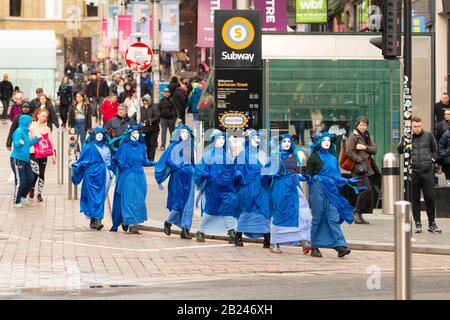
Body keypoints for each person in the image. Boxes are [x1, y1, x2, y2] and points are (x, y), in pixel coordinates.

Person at [307, 132, 361, 258]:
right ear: (319, 142)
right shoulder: (313, 157)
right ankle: (314, 247)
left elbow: (337, 177)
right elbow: (308, 176)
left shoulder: (333, 158)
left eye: (328, 140)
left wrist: (347, 181)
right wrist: (311, 178)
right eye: (324, 139)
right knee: (318, 218)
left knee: (333, 217)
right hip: (318, 190)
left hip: (332, 191)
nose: (327, 142)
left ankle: (340, 245)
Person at [267, 134, 312, 254]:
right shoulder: (275, 156)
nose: (287, 143)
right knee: (280, 215)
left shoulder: (294, 155)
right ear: (280, 144)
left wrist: (304, 177)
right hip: (280, 189)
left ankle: (303, 241)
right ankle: (274, 243)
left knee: (303, 213)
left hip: (294, 188)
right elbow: (266, 174)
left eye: (289, 141)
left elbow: (295, 172)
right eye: (284, 141)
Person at [194, 130, 239, 243]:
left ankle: (231, 232)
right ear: (213, 140)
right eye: (219, 139)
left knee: (229, 208)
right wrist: (206, 175)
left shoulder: (227, 156)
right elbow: (199, 168)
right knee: (211, 209)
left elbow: (232, 171)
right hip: (213, 188)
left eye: (223, 139)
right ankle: (200, 230)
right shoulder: (208, 154)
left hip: (227, 188)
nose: (222, 141)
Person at [399, 117, 441, 234]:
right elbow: (400, 150)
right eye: (414, 127)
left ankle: (432, 223)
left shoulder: (428, 136)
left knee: (430, 198)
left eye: (418, 126)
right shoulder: (407, 137)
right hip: (414, 173)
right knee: (415, 199)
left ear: (421, 126)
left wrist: (431, 160)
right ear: (411, 127)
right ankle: (417, 223)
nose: (417, 129)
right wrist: (406, 139)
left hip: (427, 172)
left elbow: (435, 150)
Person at [111, 125, 156, 234]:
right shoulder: (124, 146)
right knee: (129, 200)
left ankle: (131, 221)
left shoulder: (142, 147)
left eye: (137, 133)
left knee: (139, 201)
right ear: (129, 135)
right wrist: (118, 162)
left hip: (140, 176)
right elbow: (120, 161)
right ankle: (131, 224)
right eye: (133, 133)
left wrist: (156, 163)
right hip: (128, 176)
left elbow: (145, 162)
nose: (135, 135)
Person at [155, 125, 195, 239]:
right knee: (178, 203)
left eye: (187, 133)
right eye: (182, 133)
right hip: (177, 178)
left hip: (189, 177)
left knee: (189, 204)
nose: (185, 135)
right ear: (179, 134)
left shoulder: (190, 146)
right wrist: (177, 167)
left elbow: (192, 162)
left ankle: (185, 229)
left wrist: (194, 170)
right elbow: (167, 160)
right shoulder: (173, 146)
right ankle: (168, 222)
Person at [234, 130, 271, 248]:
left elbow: (268, 170)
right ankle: (238, 236)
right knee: (247, 211)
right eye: (254, 137)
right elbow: (236, 168)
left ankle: (267, 238)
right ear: (249, 140)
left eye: (258, 138)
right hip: (248, 187)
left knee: (264, 210)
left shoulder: (263, 154)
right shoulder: (242, 154)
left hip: (261, 186)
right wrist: (239, 175)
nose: (257, 140)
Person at [72, 127, 114, 231]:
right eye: (97, 133)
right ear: (94, 135)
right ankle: (95, 219)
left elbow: (109, 161)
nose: (99, 135)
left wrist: (110, 171)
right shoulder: (88, 147)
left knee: (100, 197)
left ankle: (97, 219)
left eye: (101, 134)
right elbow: (82, 160)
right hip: (90, 175)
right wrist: (76, 165)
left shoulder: (107, 147)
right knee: (91, 196)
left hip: (103, 175)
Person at [345, 116, 381, 225]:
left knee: (365, 191)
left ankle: (359, 215)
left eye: (365, 124)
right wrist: (360, 160)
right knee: (367, 190)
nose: (363, 126)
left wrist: (365, 147)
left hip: (366, 168)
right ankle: (356, 212)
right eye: (361, 124)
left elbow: (374, 149)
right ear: (357, 125)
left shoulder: (367, 136)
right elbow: (348, 152)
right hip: (358, 169)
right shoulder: (353, 137)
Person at [10, 115, 40, 208]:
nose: (31, 123)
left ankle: (23, 196)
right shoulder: (19, 131)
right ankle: (16, 200)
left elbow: (28, 144)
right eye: (30, 121)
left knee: (31, 179)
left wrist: (36, 138)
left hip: (25, 159)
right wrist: (19, 143)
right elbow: (15, 142)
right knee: (21, 181)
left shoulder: (25, 131)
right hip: (18, 159)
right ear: (25, 122)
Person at [29, 109, 56, 202]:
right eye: (42, 115)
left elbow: (50, 142)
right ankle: (32, 187)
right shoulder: (31, 126)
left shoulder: (47, 128)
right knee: (35, 170)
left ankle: (39, 193)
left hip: (43, 153)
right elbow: (27, 140)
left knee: (41, 173)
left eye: (45, 116)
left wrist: (53, 155)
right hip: (33, 152)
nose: (44, 118)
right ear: (37, 115)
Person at [140, 95, 160, 162]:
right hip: (145, 130)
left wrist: (150, 121)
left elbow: (157, 117)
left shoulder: (154, 108)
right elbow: (137, 117)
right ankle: (147, 158)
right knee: (146, 145)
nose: (144, 102)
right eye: (143, 100)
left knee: (152, 145)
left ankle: (151, 159)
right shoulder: (141, 109)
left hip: (153, 130)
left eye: (146, 100)